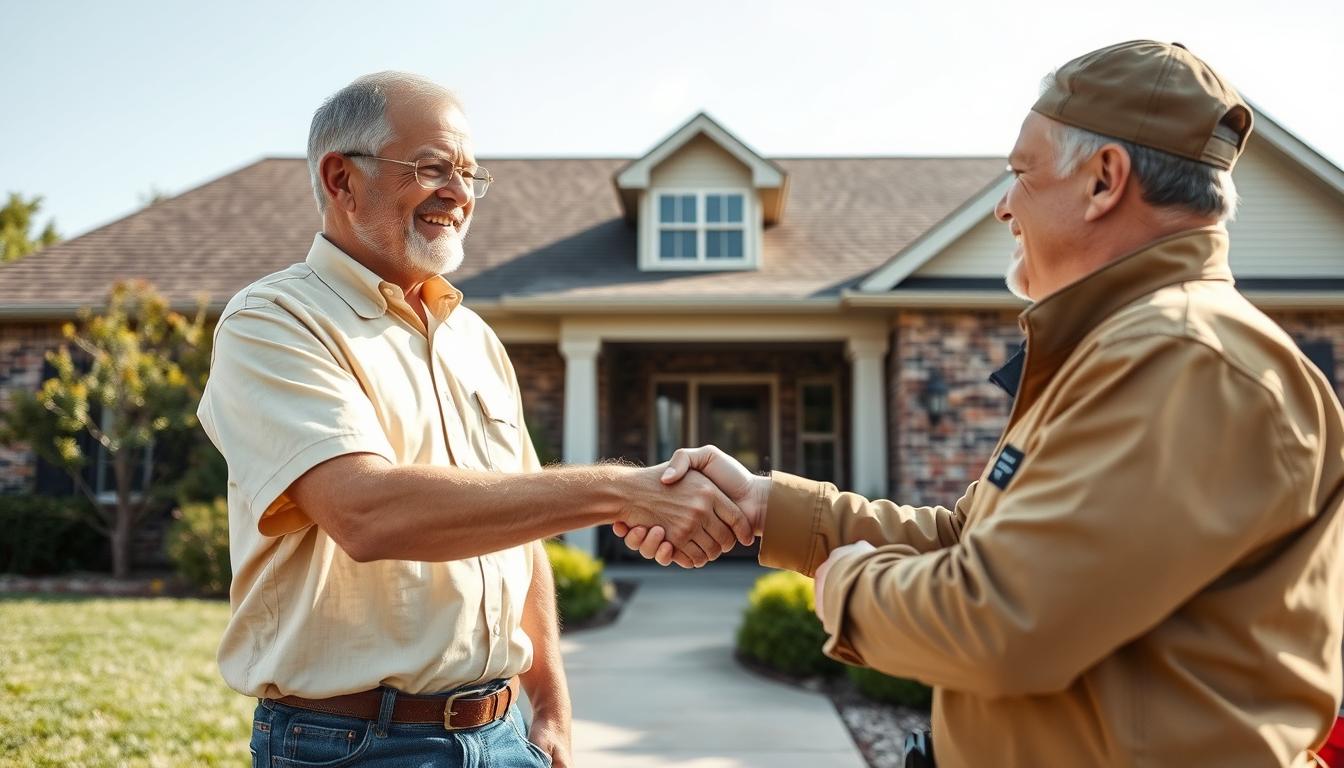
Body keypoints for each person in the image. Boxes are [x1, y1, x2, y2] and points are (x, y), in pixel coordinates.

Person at [618, 41, 1344, 766]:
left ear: (1103, 180)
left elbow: (1000, 620)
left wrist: (847, 584)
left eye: (1021, 174)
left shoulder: (1183, 362)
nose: (1002, 206)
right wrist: (763, 505)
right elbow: (972, 540)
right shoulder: (1125, 351)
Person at [197, 72, 752, 768]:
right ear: (341, 178)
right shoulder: (273, 324)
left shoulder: (473, 339)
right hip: (354, 745)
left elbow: (521, 535)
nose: (459, 194)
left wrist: (550, 704)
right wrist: (623, 490)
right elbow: (367, 513)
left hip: (504, 731)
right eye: (432, 168)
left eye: (468, 174)